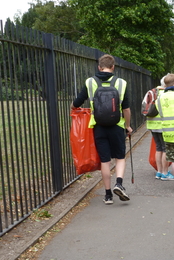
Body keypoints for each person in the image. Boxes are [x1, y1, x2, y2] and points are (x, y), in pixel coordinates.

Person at [71, 54, 133, 204]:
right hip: (117, 125)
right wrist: (127, 126)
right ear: (113, 67)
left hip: (98, 126)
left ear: (99, 67)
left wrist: (72, 108)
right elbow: (126, 110)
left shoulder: (90, 82)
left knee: (105, 160)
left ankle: (108, 195)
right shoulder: (121, 83)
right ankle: (119, 184)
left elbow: (78, 102)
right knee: (120, 157)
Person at [145, 75, 174, 181]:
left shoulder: (152, 91)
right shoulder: (166, 94)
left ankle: (159, 172)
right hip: (163, 125)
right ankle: (165, 172)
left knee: (158, 147)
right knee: (165, 148)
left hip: (152, 124)